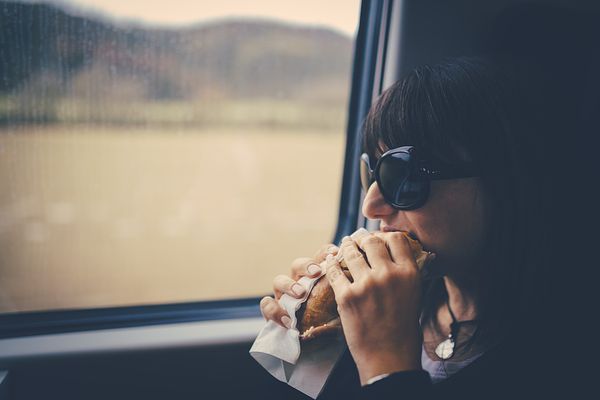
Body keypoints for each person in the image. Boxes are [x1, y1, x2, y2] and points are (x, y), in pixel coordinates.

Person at [259, 56, 582, 399]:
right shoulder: (398, 303)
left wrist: (385, 364)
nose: (371, 205)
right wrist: (326, 343)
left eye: (402, 175)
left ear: (504, 183)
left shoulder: (569, 355)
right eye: (372, 172)